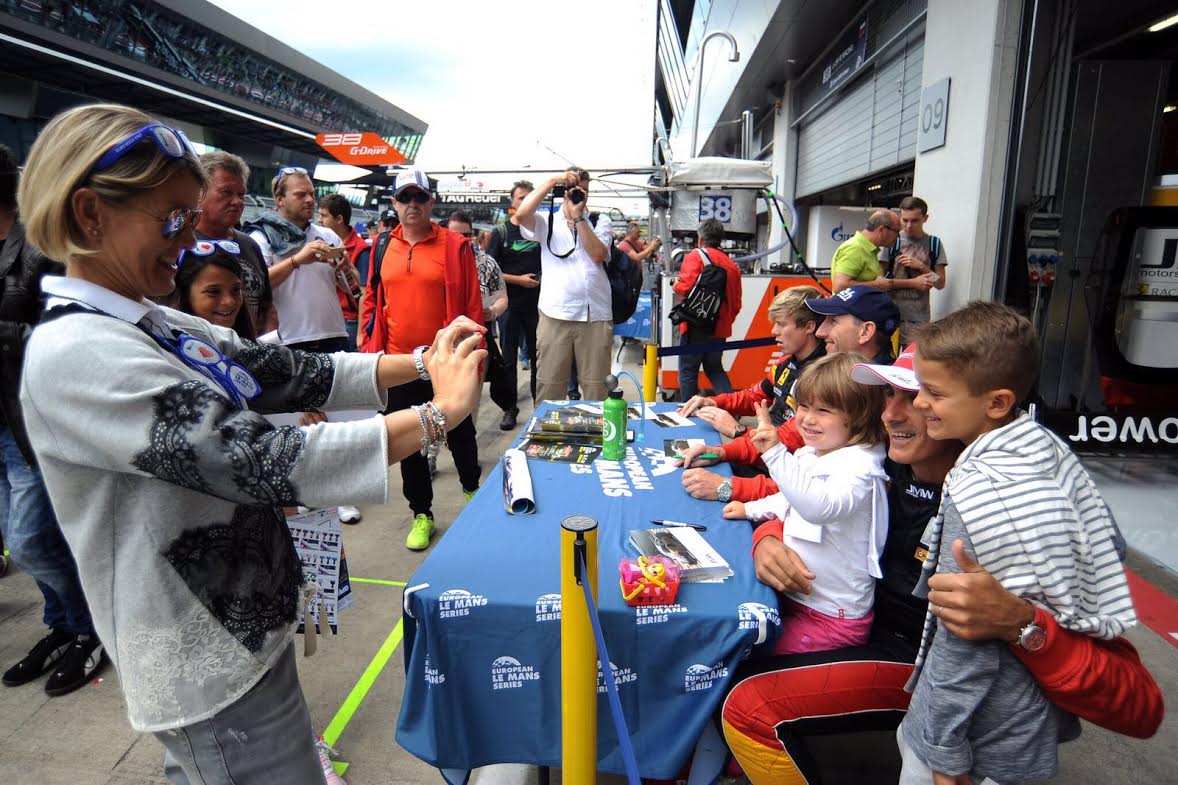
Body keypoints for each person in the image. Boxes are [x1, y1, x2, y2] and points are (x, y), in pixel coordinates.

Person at [16, 103, 487, 785]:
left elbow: (280, 370)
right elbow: (255, 460)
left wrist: (420, 362)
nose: (186, 238)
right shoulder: (77, 351)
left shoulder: (144, 317)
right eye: (172, 217)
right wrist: (438, 413)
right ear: (90, 214)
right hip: (203, 658)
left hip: (240, 633)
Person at [721, 345, 1164, 785]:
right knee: (727, 655)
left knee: (746, 701)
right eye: (887, 396)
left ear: (984, 411)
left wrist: (1026, 626)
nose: (892, 413)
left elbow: (1136, 703)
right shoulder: (888, 466)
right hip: (871, 641)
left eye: (918, 398)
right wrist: (768, 537)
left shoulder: (1005, 508)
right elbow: (806, 502)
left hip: (920, 672)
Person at [898, 302, 1137, 785]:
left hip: (974, 740)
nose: (919, 403)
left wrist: (943, 755)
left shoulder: (980, 493)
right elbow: (1110, 544)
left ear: (996, 402)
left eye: (934, 392)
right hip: (1028, 723)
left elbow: (960, 643)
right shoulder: (1047, 452)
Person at [0, 143, 103, 698]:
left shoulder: (38, 252)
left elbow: (68, 337)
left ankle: (89, 629)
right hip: (1, 423)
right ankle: (61, 625)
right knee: (20, 539)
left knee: (32, 541)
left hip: (29, 422)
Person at [722, 354, 887, 655]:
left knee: (745, 654)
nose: (807, 418)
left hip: (831, 618)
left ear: (860, 416)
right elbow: (791, 498)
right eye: (804, 406)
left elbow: (818, 507)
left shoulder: (862, 467)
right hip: (797, 599)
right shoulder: (817, 451)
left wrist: (774, 453)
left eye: (823, 410)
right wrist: (750, 509)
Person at [357, 168, 483, 551]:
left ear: (432, 201)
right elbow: (371, 298)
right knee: (410, 438)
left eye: (419, 198)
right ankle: (422, 513)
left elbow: (474, 306)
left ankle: (473, 494)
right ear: (394, 203)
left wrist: (472, 355)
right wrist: (367, 346)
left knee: (460, 431)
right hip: (399, 363)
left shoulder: (455, 246)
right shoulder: (381, 245)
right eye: (404, 198)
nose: (412, 205)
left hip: (444, 360)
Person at [676, 286, 898, 504]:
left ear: (866, 332)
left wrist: (738, 436)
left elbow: (808, 491)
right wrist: (719, 445)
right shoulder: (829, 373)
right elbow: (773, 417)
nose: (822, 332)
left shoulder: (883, 396)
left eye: (834, 321)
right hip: (776, 475)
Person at [511, 168, 614, 403]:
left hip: (595, 314)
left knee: (597, 387)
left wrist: (578, 218)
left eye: (584, 191)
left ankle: (598, 436)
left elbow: (598, 254)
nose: (580, 194)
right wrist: (550, 182)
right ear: (563, 192)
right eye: (574, 190)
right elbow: (520, 215)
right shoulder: (546, 221)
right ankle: (545, 437)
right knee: (550, 384)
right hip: (555, 313)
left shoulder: (599, 220)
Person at [247, 167, 350, 352]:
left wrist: (346, 268)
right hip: (288, 340)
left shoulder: (328, 235)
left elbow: (349, 288)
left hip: (334, 336)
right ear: (280, 199)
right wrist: (296, 261)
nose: (310, 200)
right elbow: (256, 285)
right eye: (300, 195)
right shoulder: (261, 236)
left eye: (312, 194)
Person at [195, 152, 275, 334]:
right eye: (226, 193)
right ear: (199, 192)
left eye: (241, 194)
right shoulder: (179, 246)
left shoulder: (249, 245)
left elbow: (266, 307)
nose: (237, 202)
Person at [485, 180, 542, 429]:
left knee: (540, 357)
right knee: (508, 359)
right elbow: (490, 270)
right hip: (509, 306)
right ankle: (509, 408)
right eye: (521, 198)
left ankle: (541, 407)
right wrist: (518, 280)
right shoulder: (501, 233)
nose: (526, 201)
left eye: (530, 197)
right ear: (513, 203)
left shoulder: (544, 231)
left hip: (540, 305)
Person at [673, 218, 743, 402]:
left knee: (688, 370)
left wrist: (675, 284)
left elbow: (685, 287)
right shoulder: (731, 265)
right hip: (719, 330)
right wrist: (722, 321)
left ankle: (689, 411)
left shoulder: (696, 256)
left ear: (700, 237)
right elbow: (736, 304)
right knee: (715, 369)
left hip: (695, 326)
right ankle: (731, 407)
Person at [881, 196, 948, 342]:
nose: (909, 225)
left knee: (911, 361)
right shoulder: (892, 241)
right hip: (890, 313)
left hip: (919, 319)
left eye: (914, 220)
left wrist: (922, 267)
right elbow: (878, 281)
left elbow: (940, 283)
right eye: (905, 220)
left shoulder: (934, 244)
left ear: (925, 218)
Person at [170, 239, 256, 338]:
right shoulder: (166, 349)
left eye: (236, 289)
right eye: (214, 291)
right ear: (184, 293)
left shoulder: (246, 344)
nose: (229, 301)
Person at [317, 193, 366, 350]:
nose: (319, 220)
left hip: (349, 323)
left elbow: (364, 295)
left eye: (324, 216)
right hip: (325, 321)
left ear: (339, 219)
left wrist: (361, 334)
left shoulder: (362, 249)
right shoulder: (319, 245)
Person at [831, 209, 904, 293]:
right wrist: (876, 285)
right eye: (897, 231)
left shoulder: (869, 249)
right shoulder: (855, 248)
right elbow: (840, 286)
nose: (898, 236)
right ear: (882, 230)